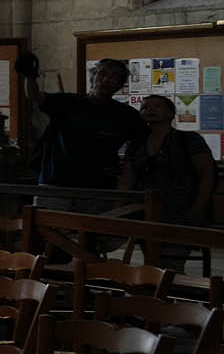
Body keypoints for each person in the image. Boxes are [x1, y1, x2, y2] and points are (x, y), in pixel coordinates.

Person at [24, 53, 145, 189]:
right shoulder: (68, 102)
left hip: (98, 186)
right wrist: (30, 75)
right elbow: (34, 95)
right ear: (93, 77)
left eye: (114, 77)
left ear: (120, 84)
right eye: (102, 74)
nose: (106, 80)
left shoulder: (127, 115)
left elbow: (142, 142)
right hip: (56, 182)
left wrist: (126, 167)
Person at [127, 95, 216, 226]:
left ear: (171, 113)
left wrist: (198, 208)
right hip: (144, 210)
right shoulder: (136, 144)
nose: (150, 110)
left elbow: (207, 175)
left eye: (157, 106)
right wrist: (120, 206)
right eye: (144, 107)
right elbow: (127, 178)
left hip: (183, 209)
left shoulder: (189, 139)